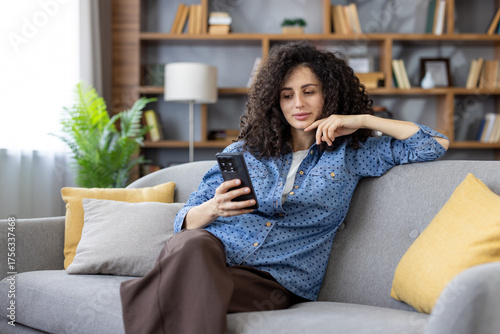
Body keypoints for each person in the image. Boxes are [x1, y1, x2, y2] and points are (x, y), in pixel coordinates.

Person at [120, 40, 449, 334]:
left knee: (185, 291)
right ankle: (157, 290)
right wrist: (214, 208)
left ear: (329, 93)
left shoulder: (354, 154)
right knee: (193, 246)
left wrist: (363, 120)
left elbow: (434, 144)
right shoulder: (243, 152)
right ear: (274, 102)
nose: (298, 104)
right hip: (209, 252)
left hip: (272, 280)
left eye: (309, 91)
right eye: (287, 95)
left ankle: (147, 293)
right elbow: (183, 223)